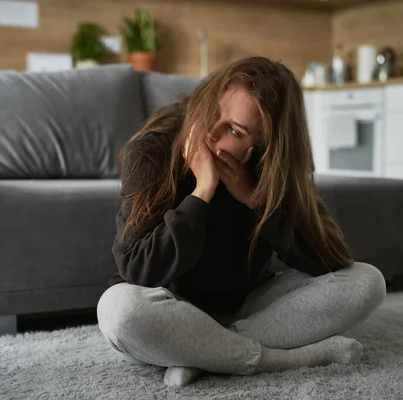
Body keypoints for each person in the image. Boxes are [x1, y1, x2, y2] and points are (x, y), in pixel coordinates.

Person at [96, 56, 386, 387]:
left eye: (234, 130)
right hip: (167, 309)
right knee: (120, 312)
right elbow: (137, 270)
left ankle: (205, 353)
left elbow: (330, 260)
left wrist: (254, 199)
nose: (210, 131)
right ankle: (278, 358)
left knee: (367, 281)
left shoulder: (268, 171)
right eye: (212, 111)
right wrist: (201, 193)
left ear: (259, 149)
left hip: (246, 309)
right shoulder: (152, 148)